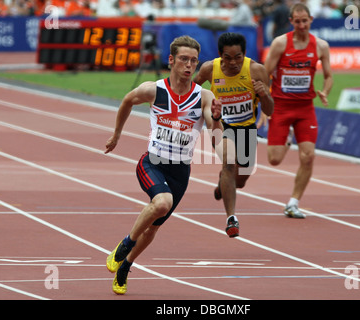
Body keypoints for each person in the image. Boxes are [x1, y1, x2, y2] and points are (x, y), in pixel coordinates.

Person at [104, 35, 222, 295]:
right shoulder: (154, 90)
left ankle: (126, 265)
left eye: (193, 61)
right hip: (152, 163)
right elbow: (126, 101)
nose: (189, 65)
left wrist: (215, 118)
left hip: (180, 171)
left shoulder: (204, 96)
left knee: (154, 226)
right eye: (183, 59)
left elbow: (215, 136)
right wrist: (117, 135)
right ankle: (124, 245)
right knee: (161, 203)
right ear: (171, 60)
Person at [194, 32, 273, 237]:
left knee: (241, 180)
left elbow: (270, 110)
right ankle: (231, 218)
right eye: (227, 57)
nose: (233, 62)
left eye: (238, 57)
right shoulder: (210, 69)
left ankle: (224, 182)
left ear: (244, 55)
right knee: (229, 162)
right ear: (220, 56)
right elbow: (192, 90)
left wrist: (263, 94)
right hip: (221, 125)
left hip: (247, 129)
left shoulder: (257, 71)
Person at [263, 3, 333, 219]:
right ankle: (287, 140)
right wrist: (265, 106)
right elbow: (265, 76)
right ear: (291, 21)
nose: (302, 25)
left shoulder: (321, 46)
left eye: (305, 21)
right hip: (281, 107)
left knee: (309, 156)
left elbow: (329, 75)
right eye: (298, 21)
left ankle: (293, 203)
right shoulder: (280, 43)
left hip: (305, 108)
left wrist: (325, 91)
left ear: (311, 20)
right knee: (274, 160)